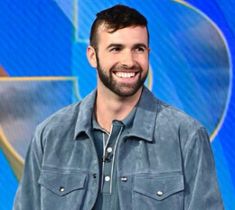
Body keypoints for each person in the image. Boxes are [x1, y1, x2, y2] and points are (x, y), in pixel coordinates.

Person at [13, 4, 224, 210]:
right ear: (92, 56)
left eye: (138, 49)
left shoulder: (187, 136)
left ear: (148, 53)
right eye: (116, 48)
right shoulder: (50, 134)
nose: (129, 61)